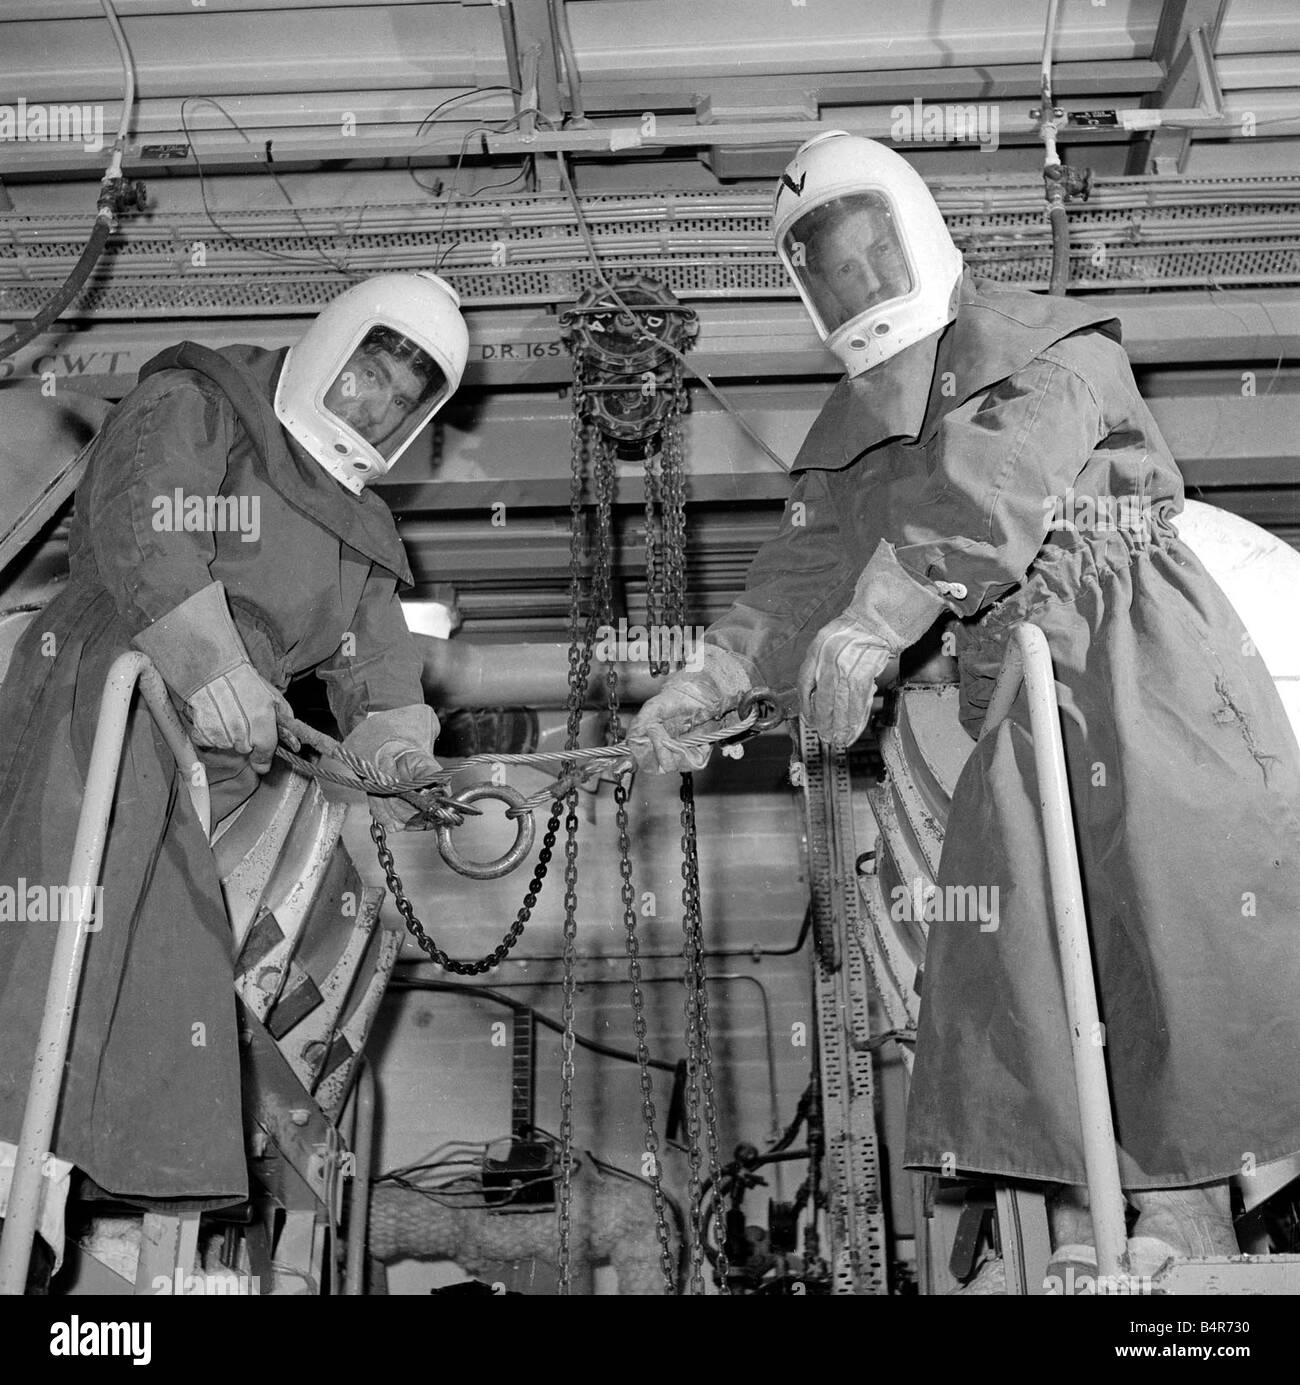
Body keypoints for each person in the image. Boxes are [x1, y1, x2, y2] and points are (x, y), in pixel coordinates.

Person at [629, 132, 1300, 1284]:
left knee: (1162, 901)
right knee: (1022, 937)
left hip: (1140, 647)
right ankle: (1106, 1206)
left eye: (863, 248)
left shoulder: (1043, 343)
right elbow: (792, 580)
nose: (851, 281)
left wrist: (881, 613)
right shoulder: (852, 435)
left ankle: (1188, 1214)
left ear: (919, 228)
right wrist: (706, 680)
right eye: (822, 264)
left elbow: (998, 479)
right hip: (1020, 687)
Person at [0, 272, 467, 1282]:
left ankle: (102, 1176)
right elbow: (140, 524)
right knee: (72, 907)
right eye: (368, 377)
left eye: (401, 400)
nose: (375, 408)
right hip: (110, 676)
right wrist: (211, 661)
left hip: (213, 750)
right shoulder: (207, 400)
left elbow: (376, 671)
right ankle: (13, 1169)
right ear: (333, 344)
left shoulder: (361, 527)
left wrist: (401, 759)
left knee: (178, 953)